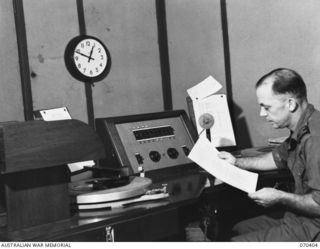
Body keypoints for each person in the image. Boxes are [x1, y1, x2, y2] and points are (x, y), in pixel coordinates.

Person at [218, 68, 320, 241]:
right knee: (237, 229)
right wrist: (236, 162)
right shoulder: (302, 128)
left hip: (315, 229)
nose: (262, 113)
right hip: (300, 217)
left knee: (234, 243)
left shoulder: (315, 139)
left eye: (267, 107)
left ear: (290, 104)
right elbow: (275, 158)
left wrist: (280, 197)